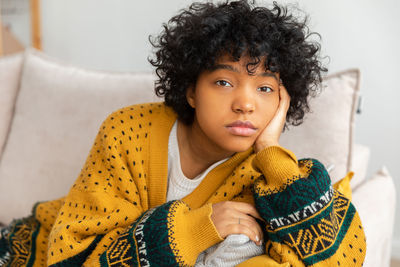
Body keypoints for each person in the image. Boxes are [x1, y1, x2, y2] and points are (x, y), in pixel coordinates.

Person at [0, 0, 366, 266]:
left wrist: (270, 148)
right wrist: (194, 229)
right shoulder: (127, 131)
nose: (245, 103)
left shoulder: (267, 176)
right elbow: (70, 257)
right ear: (191, 89)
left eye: (265, 89)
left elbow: (337, 261)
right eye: (224, 82)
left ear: (284, 101)